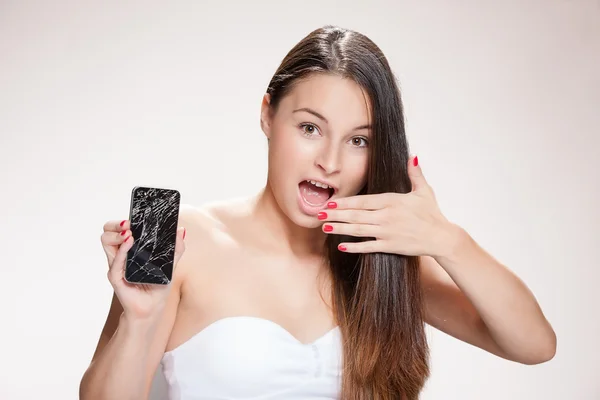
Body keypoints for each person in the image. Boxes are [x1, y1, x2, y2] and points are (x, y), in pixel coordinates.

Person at [79, 25, 556, 400]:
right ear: (268, 114)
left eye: (358, 140)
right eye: (310, 127)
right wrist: (139, 321)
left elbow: (534, 344)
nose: (329, 161)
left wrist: (449, 241)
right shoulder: (187, 242)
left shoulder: (379, 257)